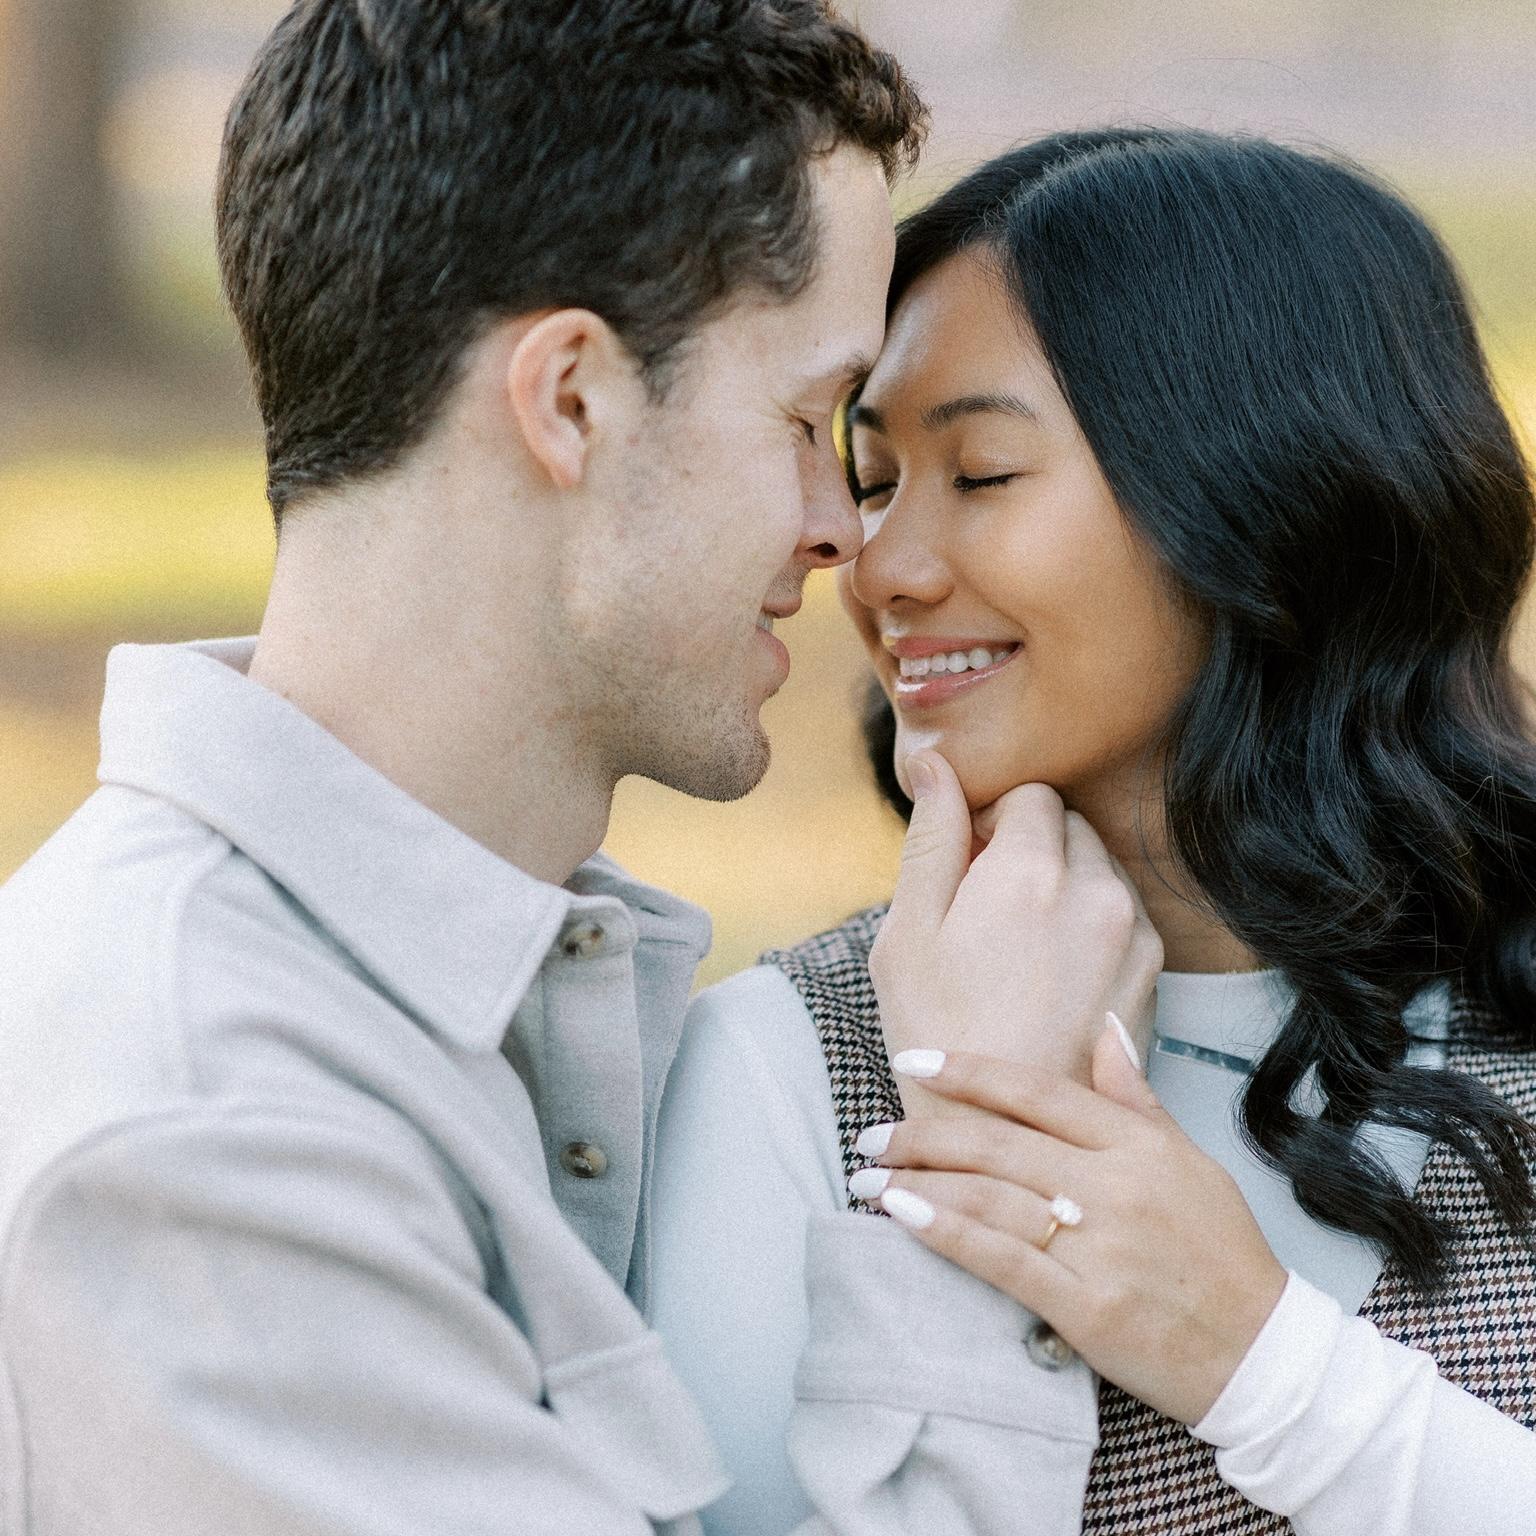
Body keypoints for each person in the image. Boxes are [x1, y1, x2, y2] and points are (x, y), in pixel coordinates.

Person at [0, 7, 1175, 1534]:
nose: (846, 536)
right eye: (805, 421)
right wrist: (991, 1150)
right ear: (570, 400)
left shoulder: (468, 998)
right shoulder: (220, 1138)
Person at [651, 128, 1536, 1535]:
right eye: (874, 481)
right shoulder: (786, 1074)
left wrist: (1254, 1364)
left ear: (1270, 494)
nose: (878, 566)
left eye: (982, 473)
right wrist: (969, 1134)